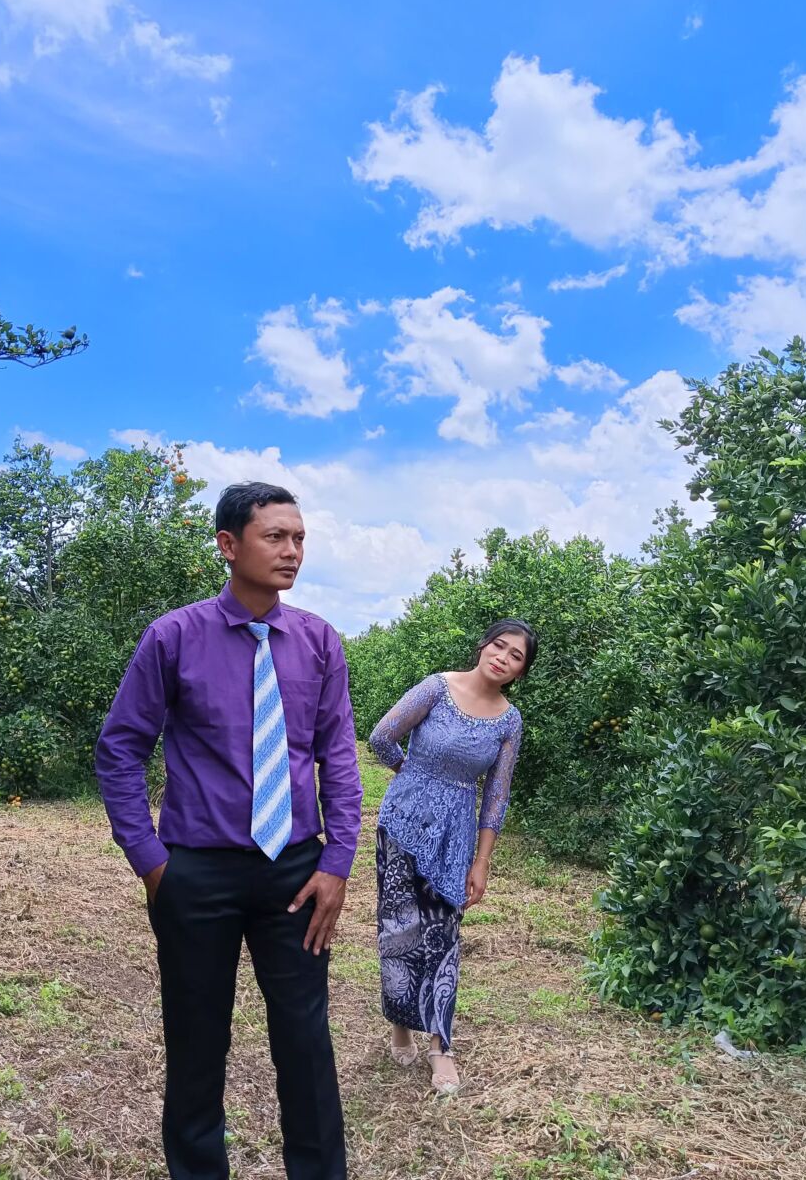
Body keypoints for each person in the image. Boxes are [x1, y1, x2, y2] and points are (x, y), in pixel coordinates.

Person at [96, 482, 362, 1180]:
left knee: (306, 1041)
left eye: (299, 538)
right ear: (228, 544)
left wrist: (337, 862)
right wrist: (152, 861)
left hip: (296, 873)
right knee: (196, 1042)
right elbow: (120, 748)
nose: (292, 550)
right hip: (196, 873)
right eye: (275, 536)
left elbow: (337, 756)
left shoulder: (319, 642)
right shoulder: (173, 637)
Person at [367, 618, 537, 1095]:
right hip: (403, 821)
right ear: (483, 646)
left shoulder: (509, 721)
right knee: (399, 928)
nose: (502, 658)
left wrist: (482, 861)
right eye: (499, 646)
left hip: (455, 835)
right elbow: (381, 736)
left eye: (516, 656)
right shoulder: (437, 688)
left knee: (444, 932)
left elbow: (496, 797)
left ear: (520, 671)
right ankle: (400, 1025)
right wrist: (412, 774)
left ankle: (441, 1044)